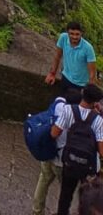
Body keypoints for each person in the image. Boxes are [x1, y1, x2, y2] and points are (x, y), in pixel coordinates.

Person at [51, 83, 103, 215]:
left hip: (70, 162)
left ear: (83, 95)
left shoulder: (68, 111)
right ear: (95, 102)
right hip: (89, 167)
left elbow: (54, 133)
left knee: (65, 197)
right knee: (89, 196)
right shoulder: (98, 120)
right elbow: (102, 151)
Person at [32, 87, 81, 215]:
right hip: (60, 160)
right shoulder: (73, 118)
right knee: (65, 190)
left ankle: (37, 210)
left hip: (47, 152)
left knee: (43, 180)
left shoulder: (58, 104)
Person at [47, 22, 97, 95]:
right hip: (65, 78)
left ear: (81, 34)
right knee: (62, 104)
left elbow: (92, 74)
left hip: (80, 85)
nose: (74, 37)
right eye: (72, 34)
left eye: (77, 34)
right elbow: (57, 56)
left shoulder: (88, 48)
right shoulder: (63, 38)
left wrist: (88, 91)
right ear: (67, 33)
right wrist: (52, 74)